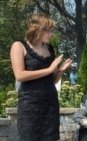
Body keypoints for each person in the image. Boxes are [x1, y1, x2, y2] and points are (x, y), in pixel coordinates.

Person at [10, 13, 72, 141]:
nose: (51, 34)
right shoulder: (19, 46)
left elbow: (51, 80)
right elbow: (20, 75)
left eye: (51, 31)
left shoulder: (50, 49)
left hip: (50, 104)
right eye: (48, 31)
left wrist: (60, 71)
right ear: (37, 30)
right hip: (30, 105)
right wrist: (49, 69)